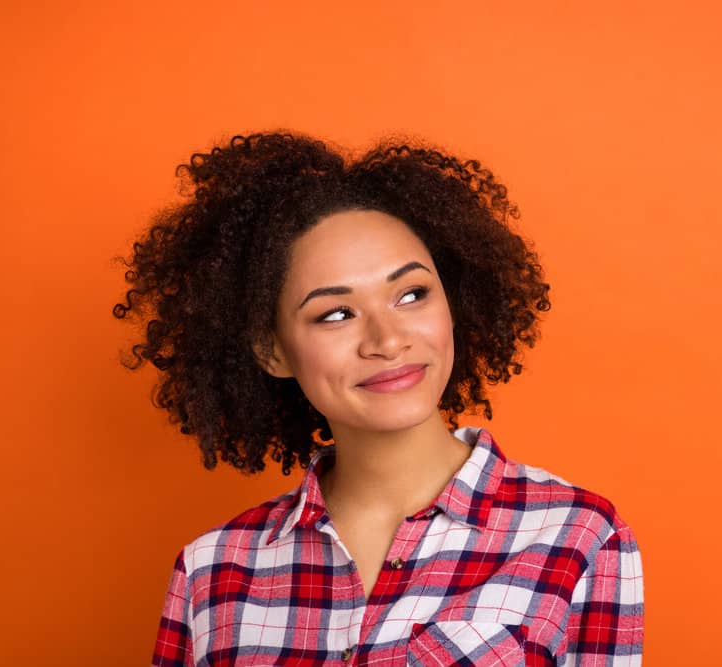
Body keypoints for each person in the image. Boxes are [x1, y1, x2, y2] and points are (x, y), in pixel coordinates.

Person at [114, 132, 644, 666]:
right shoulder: (212, 571)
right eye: (336, 314)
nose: (388, 341)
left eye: (411, 295)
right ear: (272, 352)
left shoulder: (578, 536)